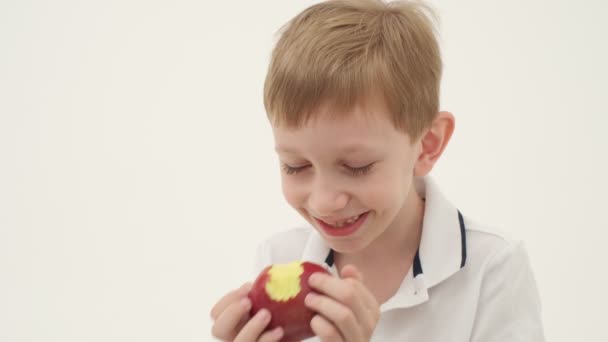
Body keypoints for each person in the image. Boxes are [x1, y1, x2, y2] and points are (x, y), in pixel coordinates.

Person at [210, 0, 545, 340]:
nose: (324, 202)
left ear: (427, 145)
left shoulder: (493, 269)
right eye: (295, 167)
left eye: (357, 167)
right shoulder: (278, 257)